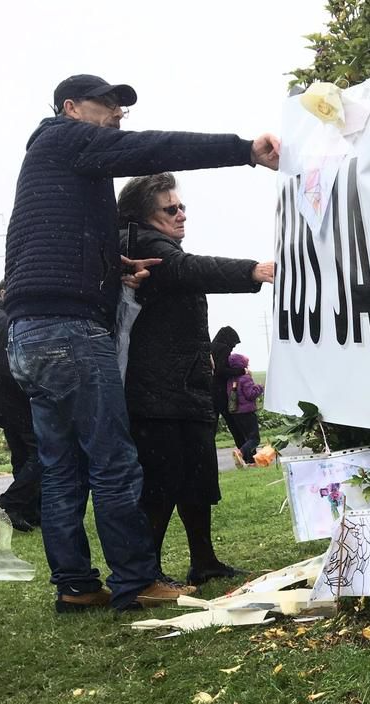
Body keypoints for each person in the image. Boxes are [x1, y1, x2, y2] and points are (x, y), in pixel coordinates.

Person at [1, 74, 281, 613]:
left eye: (120, 106)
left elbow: (48, 250)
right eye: (106, 104)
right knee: (112, 461)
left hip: (31, 335)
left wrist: (114, 269)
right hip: (70, 333)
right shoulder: (63, 138)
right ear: (70, 108)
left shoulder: (58, 170)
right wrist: (244, 150)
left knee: (60, 468)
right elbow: (150, 147)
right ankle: (136, 579)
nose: (116, 114)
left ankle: (77, 585)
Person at [118, 173, 273, 586]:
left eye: (181, 205)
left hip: (183, 386)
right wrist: (253, 271)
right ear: (144, 215)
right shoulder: (145, 247)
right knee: (162, 481)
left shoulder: (158, 245)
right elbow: (191, 269)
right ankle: (146, 572)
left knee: (196, 478)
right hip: (157, 391)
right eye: (170, 209)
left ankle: (204, 562)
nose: (181, 213)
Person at [0, 286, 41, 531]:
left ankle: (27, 510)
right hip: (11, 402)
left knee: (23, 455)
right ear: (5, 291)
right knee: (41, 454)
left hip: (1, 403)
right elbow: (5, 366)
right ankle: (9, 505)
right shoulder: (5, 321)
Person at [210, 326, 248, 452]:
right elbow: (221, 370)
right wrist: (242, 371)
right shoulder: (223, 348)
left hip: (210, 392)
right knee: (234, 424)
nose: (233, 347)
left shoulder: (212, 347)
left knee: (211, 428)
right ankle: (247, 453)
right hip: (221, 393)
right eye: (233, 344)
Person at [226, 353, 265, 466]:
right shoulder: (245, 378)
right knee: (255, 439)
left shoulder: (230, 379)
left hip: (236, 413)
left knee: (247, 438)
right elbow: (250, 395)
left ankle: (251, 462)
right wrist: (260, 387)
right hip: (247, 412)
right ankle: (240, 453)